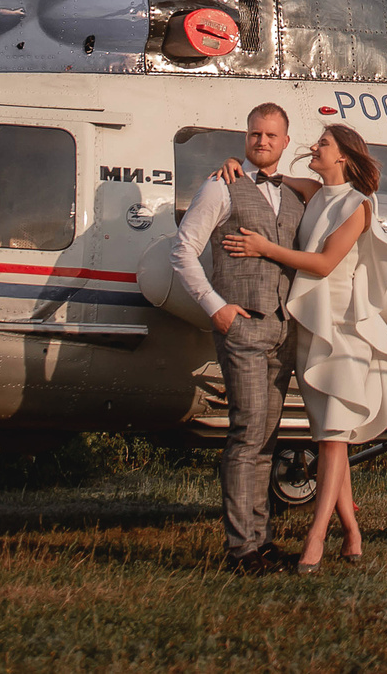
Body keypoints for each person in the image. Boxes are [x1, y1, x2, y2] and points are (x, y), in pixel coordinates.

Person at [222, 121, 387, 571]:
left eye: (322, 144)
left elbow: (324, 264)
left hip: (343, 329)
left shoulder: (358, 206)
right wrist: (236, 166)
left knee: (331, 437)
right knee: (332, 435)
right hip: (311, 328)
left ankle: (316, 538)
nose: (313, 147)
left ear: (343, 155)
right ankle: (354, 534)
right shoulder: (314, 191)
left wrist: (264, 248)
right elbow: (270, 175)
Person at [168, 102, 303, 571]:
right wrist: (217, 309)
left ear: (286, 142)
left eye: (270, 136)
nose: (261, 142)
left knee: (266, 438)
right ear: (245, 139)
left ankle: (260, 541)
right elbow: (183, 251)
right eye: (254, 135)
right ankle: (242, 549)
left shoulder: (293, 196)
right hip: (242, 327)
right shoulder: (220, 185)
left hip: (281, 332)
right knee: (247, 435)